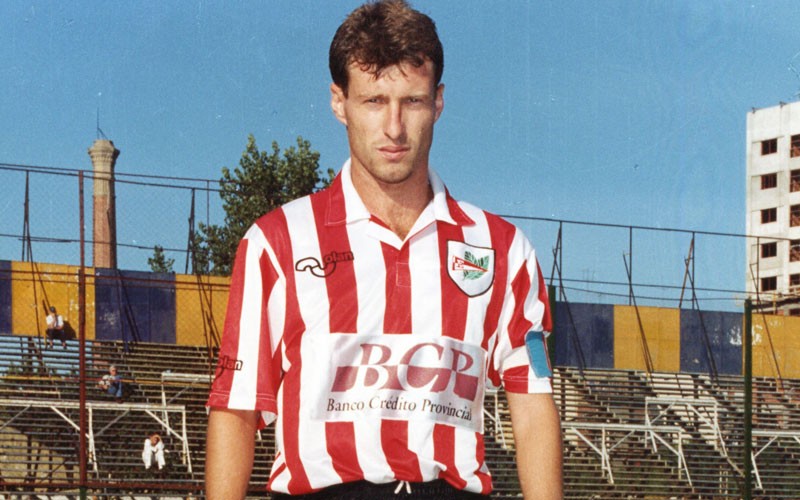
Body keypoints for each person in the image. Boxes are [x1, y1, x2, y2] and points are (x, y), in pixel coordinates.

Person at [205, 1, 562, 499]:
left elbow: (532, 404)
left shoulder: (502, 249)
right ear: (339, 102)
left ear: (438, 102)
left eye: (412, 101)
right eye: (374, 101)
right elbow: (237, 408)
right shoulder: (277, 241)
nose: (394, 128)